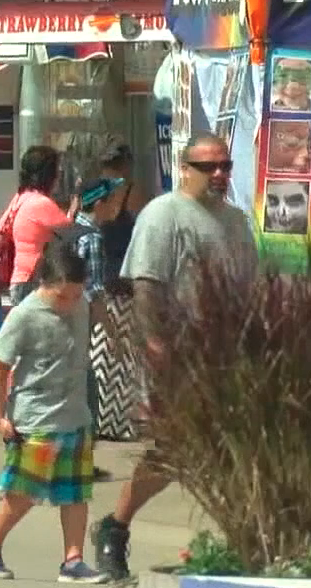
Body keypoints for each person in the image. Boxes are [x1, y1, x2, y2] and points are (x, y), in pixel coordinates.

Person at [91, 135, 258, 581]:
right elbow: (146, 285)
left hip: (226, 357)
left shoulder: (237, 223)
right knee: (171, 451)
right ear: (185, 169)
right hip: (176, 354)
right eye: (209, 167)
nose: (220, 175)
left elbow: (247, 291)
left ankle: (242, 540)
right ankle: (115, 527)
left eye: (226, 165)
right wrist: (157, 347)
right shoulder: (164, 214)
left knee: (230, 449)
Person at [0, 241, 109, 584]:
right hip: (35, 418)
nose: (71, 303)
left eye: (77, 295)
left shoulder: (82, 304)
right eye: (63, 296)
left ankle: (72, 560)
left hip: (75, 415)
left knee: (75, 493)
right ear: (44, 284)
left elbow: (97, 311)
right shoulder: (25, 315)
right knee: (24, 492)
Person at [70, 178, 126, 483]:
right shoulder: (92, 237)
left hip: (60, 317)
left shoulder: (68, 227)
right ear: (100, 204)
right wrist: (112, 333)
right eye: (113, 200)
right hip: (78, 321)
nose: (117, 207)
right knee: (86, 391)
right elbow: (93, 291)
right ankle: (80, 461)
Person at [93, 143, 148, 442]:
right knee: (119, 352)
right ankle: (114, 421)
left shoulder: (99, 192)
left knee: (104, 351)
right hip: (120, 279)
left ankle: (104, 419)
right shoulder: (130, 193)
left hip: (105, 278)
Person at [0, 145, 78, 304]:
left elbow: (1, 228)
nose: (59, 177)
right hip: (34, 280)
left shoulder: (20, 198)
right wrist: (74, 209)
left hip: (19, 279)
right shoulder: (41, 203)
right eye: (57, 172)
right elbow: (69, 231)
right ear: (49, 175)